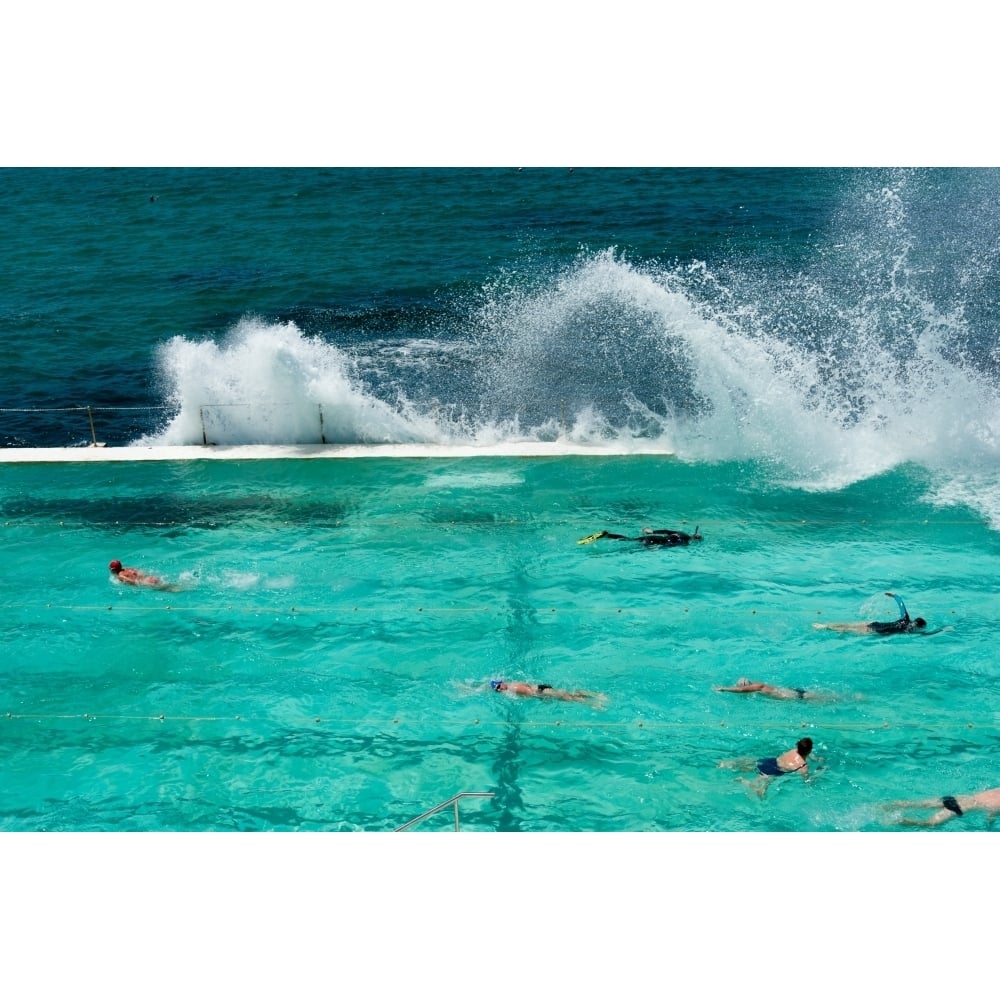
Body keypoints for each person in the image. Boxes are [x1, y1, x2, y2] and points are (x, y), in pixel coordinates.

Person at [718, 737, 814, 797]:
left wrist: (816, 758)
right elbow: (806, 781)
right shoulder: (803, 766)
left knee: (751, 766)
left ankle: (727, 764)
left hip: (770, 761)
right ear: (809, 751)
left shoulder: (794, 750)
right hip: (775, 771)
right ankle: (743, 781)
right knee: (760, 792)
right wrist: (811, 781)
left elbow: (805, 753)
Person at [812, 592, 927, 635]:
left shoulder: (905, 618)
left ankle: (825, 625)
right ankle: (825, 627)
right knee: (847, 630)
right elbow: (923, 634)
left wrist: (894, 596)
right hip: (876, 630)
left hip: (875, 623)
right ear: (918, 626)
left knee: (848, 625)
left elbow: (901, 604)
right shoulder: (908, 630)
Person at [884, 787, 1000, 828]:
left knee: (918, 804)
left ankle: (885, 806)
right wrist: (989, 824)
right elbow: (991, 814)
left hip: (957, 798)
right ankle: (897, 820)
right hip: (962, 807)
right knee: (930, 824)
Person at [490, 679, 606, 705]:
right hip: (542, 687)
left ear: (502, 682)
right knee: (568, 694)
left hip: (542, 692)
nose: (500, 689)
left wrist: (542, 698)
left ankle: (594, 703)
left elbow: (530, 693)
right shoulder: (512, 683)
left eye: (499, 686)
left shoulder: (512, 689)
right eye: (497, 690)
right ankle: (595, 695)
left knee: (569, 698)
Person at [578, 526, 702, 546]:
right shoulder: (685, 542)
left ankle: (606, 535)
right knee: (629, 544)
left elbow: (666, 530)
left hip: (653, 538)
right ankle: (606, 535)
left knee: (629, 539)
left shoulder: (682, 533)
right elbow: (670, 544)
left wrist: (651, 531)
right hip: (655, 542)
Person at [715, 678, 821, 701]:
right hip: (794, 692)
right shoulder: (758, 686)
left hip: (797, 696)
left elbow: (742, 691)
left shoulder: (757, 686)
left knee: (831, 700)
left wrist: (723, 689)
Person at [108, 559, 180, 592]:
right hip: (150, 578)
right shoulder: (127, 568)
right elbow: (140, 572)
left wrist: (142, 585)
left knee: (170, 590)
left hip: (146, 582)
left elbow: (133, 582)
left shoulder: (120, 576)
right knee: (169, 585)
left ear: (113, 570)